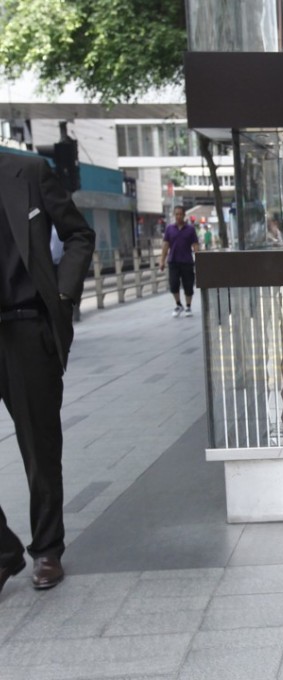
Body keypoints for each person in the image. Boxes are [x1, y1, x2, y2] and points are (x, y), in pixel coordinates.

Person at [0, 151, 95, 597]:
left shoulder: (29, 172)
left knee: (39, 446)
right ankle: (3, 549)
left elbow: (78, 234)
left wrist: (62, 294)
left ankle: (47, 549)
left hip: (26, 326)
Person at [159, 206, 199, 318]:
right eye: (176, 214)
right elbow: (165, 245)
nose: (178, 216)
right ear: (174, 215)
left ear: (184, 215)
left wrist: (199, 259)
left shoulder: (190, 229)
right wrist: (162, 260)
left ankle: (188, 306)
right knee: (173, 284)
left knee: (188, 285)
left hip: (187, 261)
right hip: (173, 261)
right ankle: (178, 305)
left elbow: (195, 245)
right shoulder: (169, 229)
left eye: (180, 214)